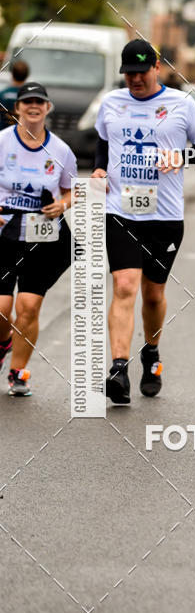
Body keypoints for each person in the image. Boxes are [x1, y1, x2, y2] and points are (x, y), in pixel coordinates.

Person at [91, 40, 195, 404]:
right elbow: (102, 140)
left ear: (156, 67)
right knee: (125, 285)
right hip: (121, 211)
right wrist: (100, 166)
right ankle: (118, 368)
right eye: (128, 74)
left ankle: (151, 353)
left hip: (164, 216)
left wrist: (180, 157)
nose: (134, 80)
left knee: (153, 293)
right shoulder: (112, 102)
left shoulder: (181, 104)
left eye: (141, 73)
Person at [0, 82, 75, 395]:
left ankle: (18, 373)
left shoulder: (60, 150)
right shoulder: (2, 142)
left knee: (28, 307)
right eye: (27, 101)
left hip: (42, 236)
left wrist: (63, 203)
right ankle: (4, 342)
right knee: (2, 308)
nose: (33, 106)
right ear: (17, 108)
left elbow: (72, 189)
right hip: (4, 233)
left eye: (39, 102)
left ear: (47, 108)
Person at [0, 60, 30, 130]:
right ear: (27, 76)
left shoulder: (2, 94)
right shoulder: (30, 96)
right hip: (23, 134)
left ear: (12, 74)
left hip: (3, 133)